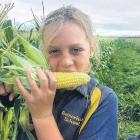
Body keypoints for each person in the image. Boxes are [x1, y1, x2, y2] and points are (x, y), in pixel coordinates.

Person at [0, 6, 118, 140]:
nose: (66, 62)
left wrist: (42, 116)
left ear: (91, 50)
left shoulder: (103, 100)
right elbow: (9, 101)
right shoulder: (34, 83)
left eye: (76, 49)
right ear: (43, 54)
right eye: (54, 51)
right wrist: (7, 86)